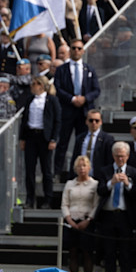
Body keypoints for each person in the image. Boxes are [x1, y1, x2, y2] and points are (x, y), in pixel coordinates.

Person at [53, 37, 100, 180]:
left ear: (83, 51)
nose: (76, 51)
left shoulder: (89, 69)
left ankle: (80, 171)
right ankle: (57, 171)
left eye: (79, 48)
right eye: (73, 48)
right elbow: (58, 88)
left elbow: (96, 90)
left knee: (82, 143)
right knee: (63, 142)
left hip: (84, 111)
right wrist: (72, 99)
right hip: (67, 110)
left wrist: (85, 98)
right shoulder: (62, 69)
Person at [96, 142, 136, 272]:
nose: (120, 159)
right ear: (113, 156)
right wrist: (111, 183)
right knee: (109, 251)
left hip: (125, 217)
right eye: (117, 156)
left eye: (122, 156)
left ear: (127, 156)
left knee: (126, 252)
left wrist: (128, 184)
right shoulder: (104, 171)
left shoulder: (134, 172)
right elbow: (100, 191)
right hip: (108, 215)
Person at [20, 76, 60, 209]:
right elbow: (24, 120)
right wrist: (22, 138)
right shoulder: (30, 99)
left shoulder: (52, 100)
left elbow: (57, 121)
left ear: (41, 86)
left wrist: (53, 139)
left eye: (35, 84)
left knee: (46, 170)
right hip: (31, 136)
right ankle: (30, 199)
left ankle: (48, 198)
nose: (32, 86)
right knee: (29, 169)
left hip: (44, 137)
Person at [60, 155, 99, 272]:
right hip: (72, 221)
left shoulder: (95, 184)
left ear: (89, 168)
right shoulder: (69, 184)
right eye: (79, 166)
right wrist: (69, 220)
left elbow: (96, 205)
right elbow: (64, 204)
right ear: (75, 168)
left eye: (84, 166)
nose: (82, 168)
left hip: (87, 221)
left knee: (87, 252)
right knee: (73, 252)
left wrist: (88, 220)